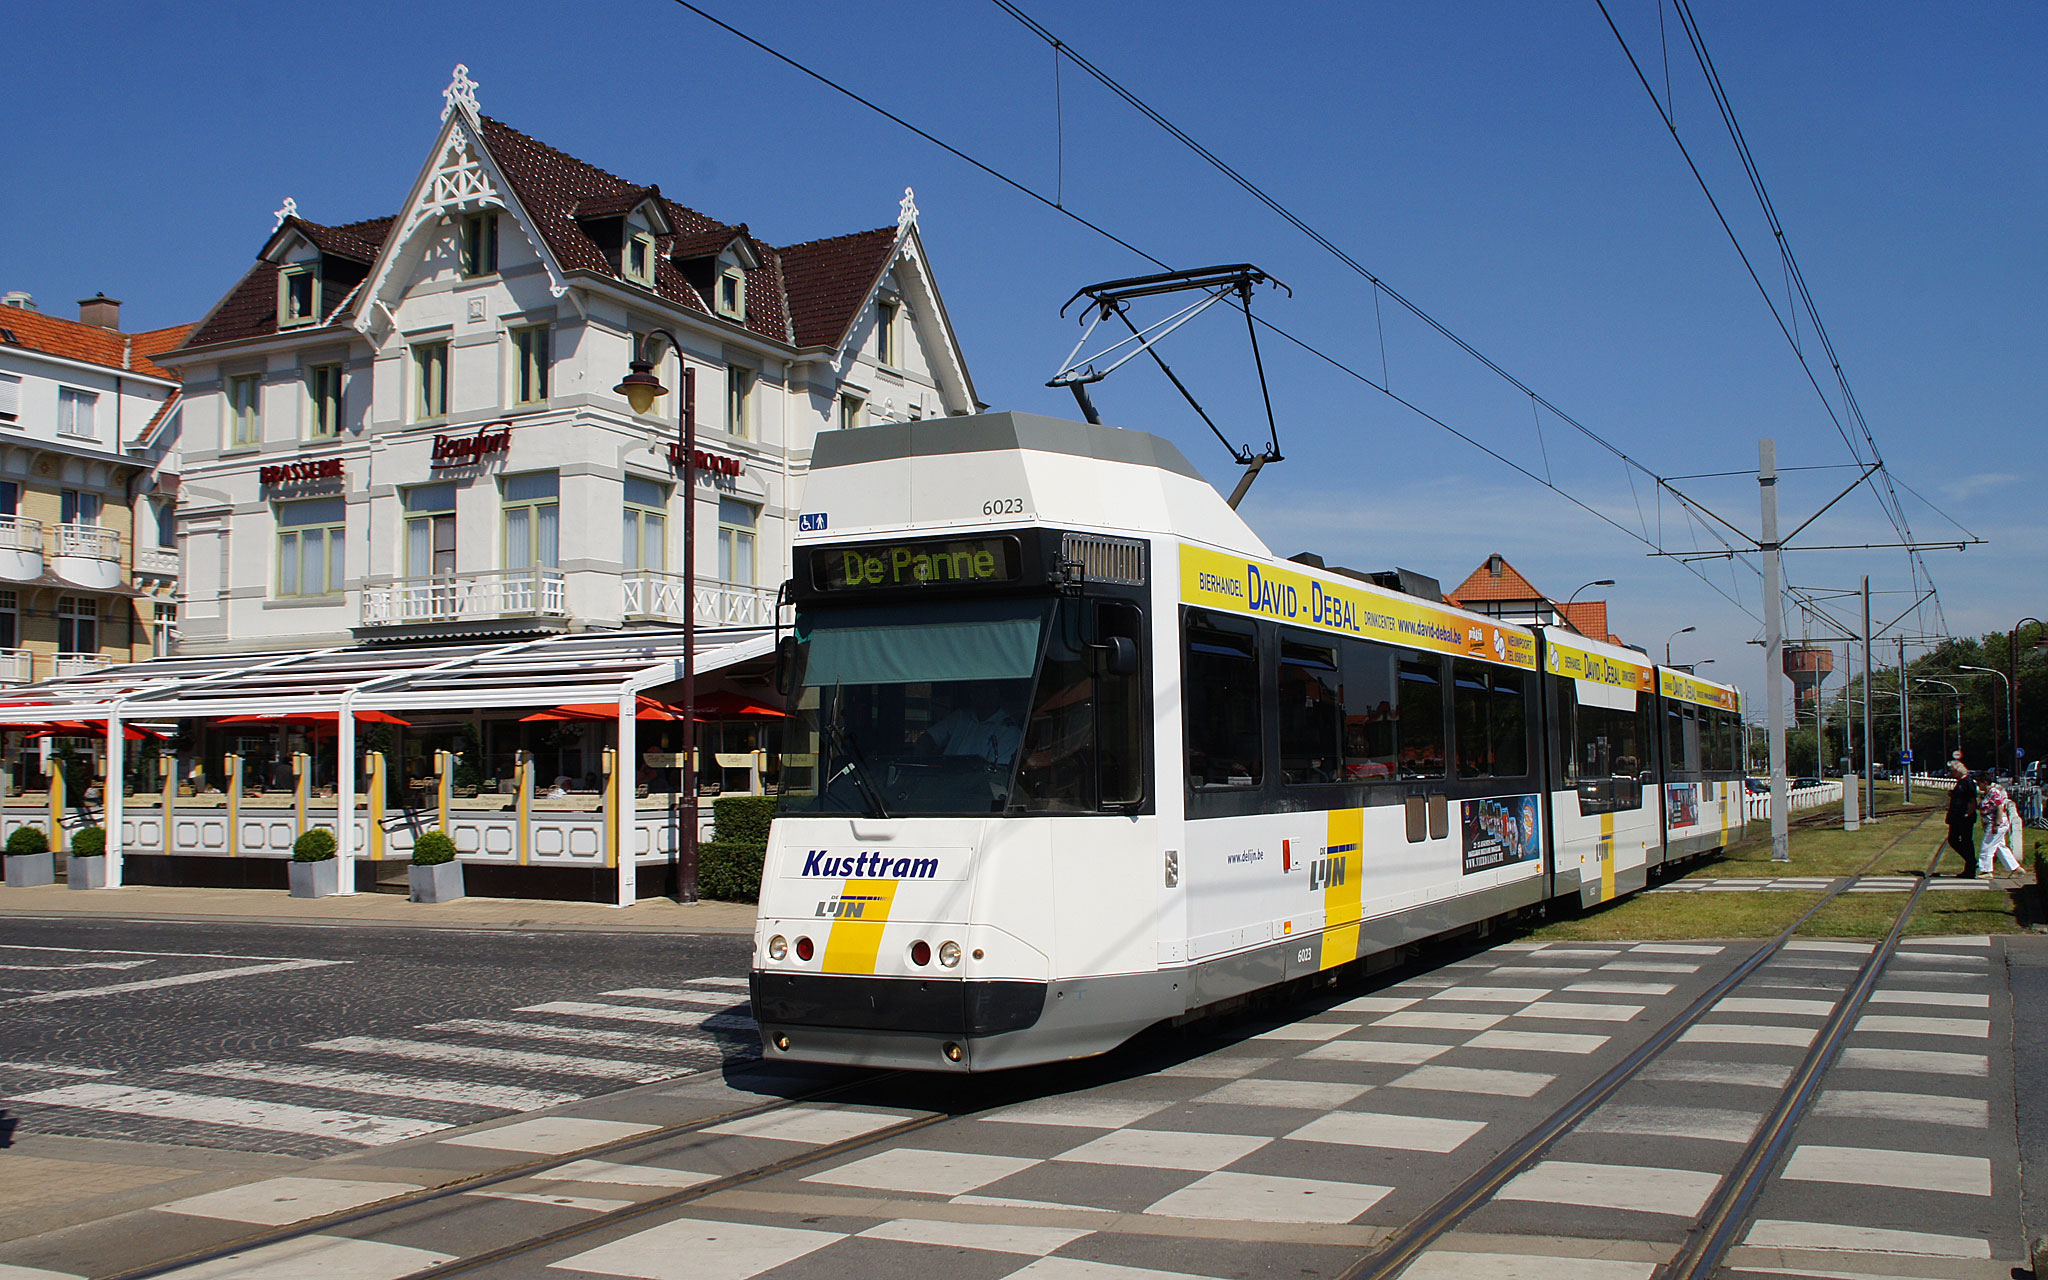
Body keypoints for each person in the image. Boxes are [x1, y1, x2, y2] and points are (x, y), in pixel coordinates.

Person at [922, 685, 1022, 764]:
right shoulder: (960, 716)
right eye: (973, 689)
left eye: (981, 689)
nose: (975, 695)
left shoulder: (1009, 731)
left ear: (995, 692)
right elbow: (926, 740)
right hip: (944, 780)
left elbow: (995, 775)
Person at [1981, 776, 2022, 877]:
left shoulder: (1994, 792)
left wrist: (1996, 824)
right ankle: (2016, 869)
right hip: (1993, 823)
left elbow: (2000, 808)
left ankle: (1987, 870)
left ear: (1985, 782)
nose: (1978, 785)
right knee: (2000, 847)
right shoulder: (1988, 793)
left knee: (1987, 846)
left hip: (1996, 823)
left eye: (1979, 783)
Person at [1944, 760, 1979, 876]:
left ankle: (1971, 865)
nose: (1951, 773)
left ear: (1959, 771)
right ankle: (1970, 862)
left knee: (1966, 841)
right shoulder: (1960, 782)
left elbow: (1973, 800)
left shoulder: (1968, 782)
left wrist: (1968, 813)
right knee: (1953, 840)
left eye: (1953, 771)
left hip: (1964, 817)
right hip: (1956, 817)